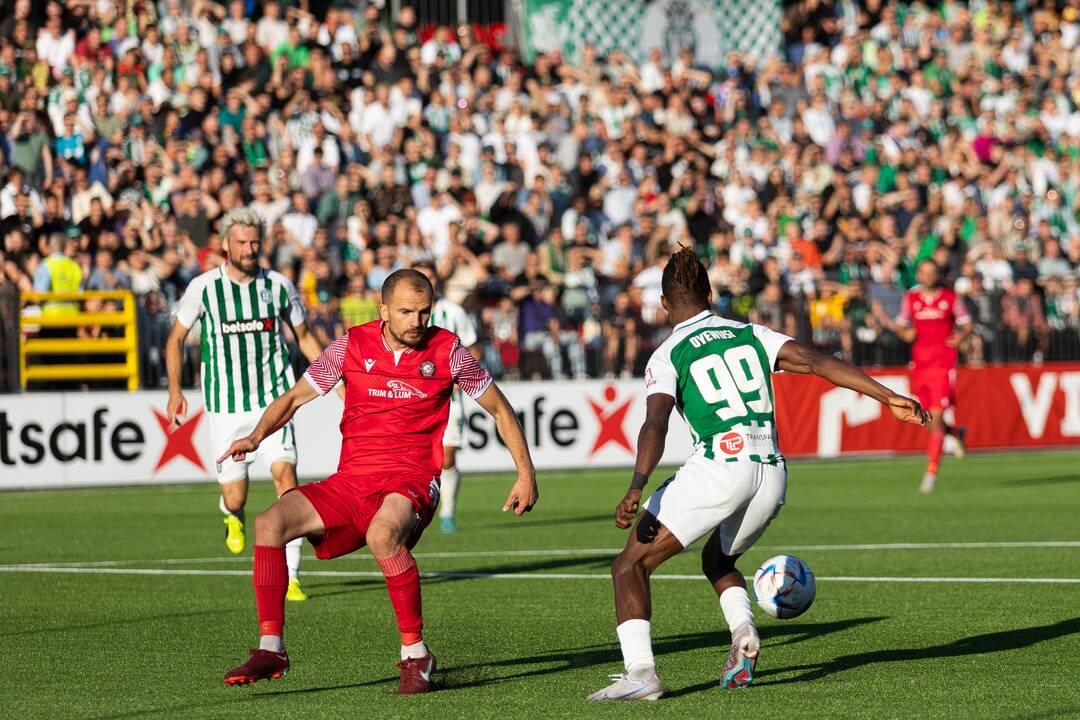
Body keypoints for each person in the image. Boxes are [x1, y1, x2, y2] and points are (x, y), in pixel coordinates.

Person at [588, 247, 928, 701]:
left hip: (720, 465)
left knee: (629, 564)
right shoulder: (751, 333)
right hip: (772, 472)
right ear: (710, 294)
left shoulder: (667, 354)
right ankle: (743, 633)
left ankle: (641, 674)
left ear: (664, 304)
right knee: (718, 561)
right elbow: (815, 360)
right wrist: (888, 396)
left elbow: (656, 422)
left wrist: (637, 484)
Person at [218, 269, 538, 693]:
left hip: (412, 479)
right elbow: (295, 397)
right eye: (406, 312)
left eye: (425, 312)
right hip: (352, 479)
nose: (417, 321)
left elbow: (500, 409)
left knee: (383, 534)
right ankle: (271, 647)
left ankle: (415, 654)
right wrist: (257, 436)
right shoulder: (350, 345)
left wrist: (525, 472)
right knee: (268, 524)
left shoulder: (449, 351)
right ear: (383, 310)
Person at [165, 208, 326, 602]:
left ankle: (291, 577)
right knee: (237, 496)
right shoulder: (204, 288)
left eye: (255, 241)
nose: (250, 249)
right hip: (226, 407)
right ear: (225, 245)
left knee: (287, 481)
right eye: (242, 242)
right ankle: (231, 515)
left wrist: (331, 374)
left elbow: (303, 335)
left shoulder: (278, 285)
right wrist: (174, 389)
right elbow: (175, 339)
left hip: (275, 400)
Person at [874, 259, 972, 492]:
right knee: (927, 420)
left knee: (936, 419)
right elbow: (900, 323)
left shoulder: (950, 299)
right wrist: (905, 333)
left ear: (937, 274)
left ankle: (930, 474)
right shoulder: (912, 299)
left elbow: (967, 324)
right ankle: (956, 433)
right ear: (919, 274)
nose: (928, 276)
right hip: (919, 366)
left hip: (943, 365)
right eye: (924, 272)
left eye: (932, 272)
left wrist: (960, 337)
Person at [414, 262, 482, 534]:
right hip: (414, 398)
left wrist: (459, 376)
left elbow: (475, 348)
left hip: (448, 399)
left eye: (429, 276)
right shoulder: (407, 315)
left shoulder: (453, 312)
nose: (426, 281)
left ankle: (448, 512)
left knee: (447, 457)